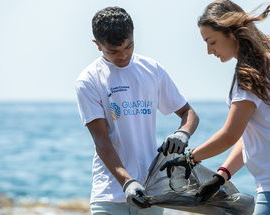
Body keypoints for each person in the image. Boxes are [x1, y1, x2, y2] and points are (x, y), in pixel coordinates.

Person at [160, 0, 270, 214]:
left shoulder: (248, 74)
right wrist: (221, 175)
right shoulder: (262, 64)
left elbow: (229, 135)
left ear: (231, 33)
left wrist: (190, 158)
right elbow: (249, 136)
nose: (209, 51)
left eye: (211, 41)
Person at [75, 6, 199, 215]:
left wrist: (182, 133)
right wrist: (127, 182)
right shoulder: (88, 80)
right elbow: (102, 142)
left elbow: (189, 113)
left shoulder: (152, 69)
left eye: (129, 47)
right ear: (97, 45)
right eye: (113, 52)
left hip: (151, 192)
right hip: (110, 195)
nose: (123, 56)